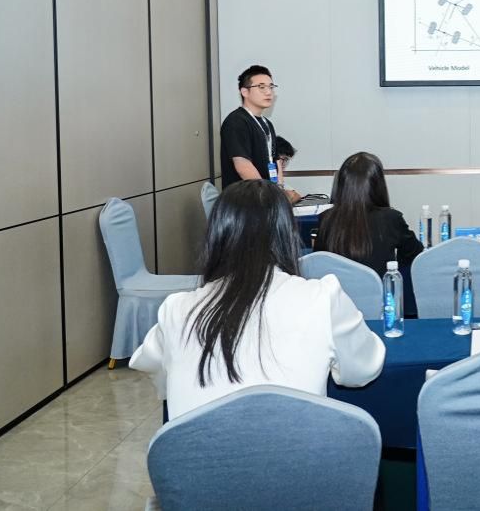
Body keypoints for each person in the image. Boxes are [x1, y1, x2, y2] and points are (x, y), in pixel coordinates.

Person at [130, 180, 384, 418]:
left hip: (196, 450)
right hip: (298, 450)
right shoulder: (322, 298)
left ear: (216, 236)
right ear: (287, 235)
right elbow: (362, 370)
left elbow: (150, 365)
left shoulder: (177, 309)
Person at [315, 152, 423, 276]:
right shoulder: (391, 218)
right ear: (378, 186)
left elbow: (318, 263)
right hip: (381, 288)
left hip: (337, 288)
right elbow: (415, 253)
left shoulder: (326, 218)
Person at [220, 66, 294, 199]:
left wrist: (279, 190)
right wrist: (268, 195)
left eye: (271, 87)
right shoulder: (236, 121)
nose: (269, 92)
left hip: (265, 198)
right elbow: (243, 166)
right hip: (244, 200)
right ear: (245, 91)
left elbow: (276, 160)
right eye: (261, 87)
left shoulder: (267, 123)